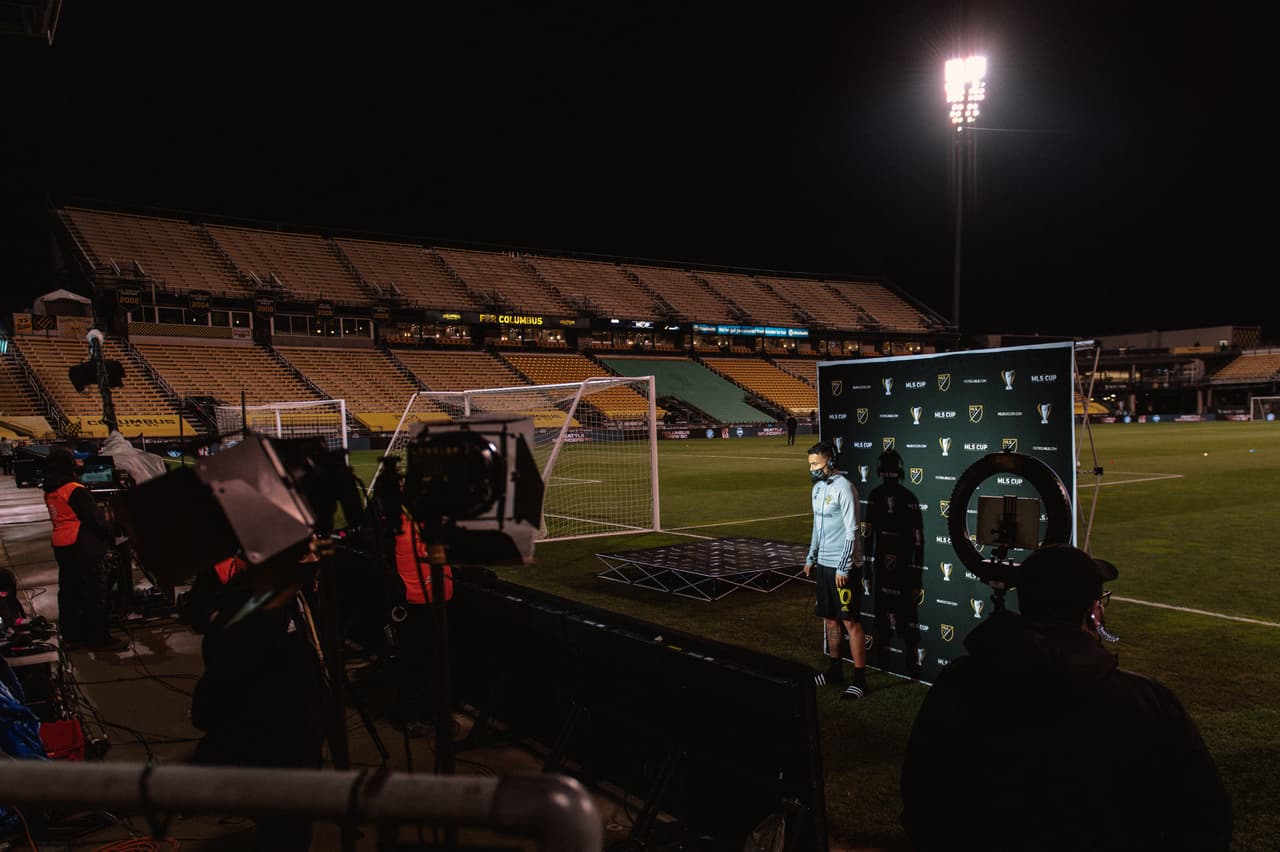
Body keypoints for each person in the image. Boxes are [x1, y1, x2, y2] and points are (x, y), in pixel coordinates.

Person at [901, 544, 1232, 851]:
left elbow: (921, 805)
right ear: (1092, 614)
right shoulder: (1148, 703)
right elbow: (1207, 822)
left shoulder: (958, 683)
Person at [183, 551, 327, 852]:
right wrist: (218, 622)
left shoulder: (289, 593)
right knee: (284, 825)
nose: (312, 555)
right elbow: (223, 676)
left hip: (296, 729)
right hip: (275, 735)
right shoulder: (255, 604)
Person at [42, 448, 126, 652]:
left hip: (63, 545)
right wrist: (112, 534)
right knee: (93, 594)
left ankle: (72, 636)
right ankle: (99, 638)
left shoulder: (50, 488)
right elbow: (95, 519)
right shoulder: (73, 489)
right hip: (83, 545)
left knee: (69, 593)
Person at [803, 440, 868, 699]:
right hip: (824, 565)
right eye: (810, 464)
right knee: (830, 619)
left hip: (844, 567)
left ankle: (860, 680)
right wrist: (811, 557)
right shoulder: (817, 489)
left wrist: (844, 566)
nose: (812, 469)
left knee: (850, 621)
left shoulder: (845, 488)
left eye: (816, 464)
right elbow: (817, 527)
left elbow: (852, 531)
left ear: (830, 461)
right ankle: (835, 670)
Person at [863, 449, 924, 678]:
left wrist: (917, 579)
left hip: (903, 571)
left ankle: (912, 670)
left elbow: (919, 542)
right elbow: (868, 536)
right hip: (884, 569)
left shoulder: (908, 499)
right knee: (883, 625)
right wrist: (867, 571)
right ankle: (883, 668)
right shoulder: (876, 496)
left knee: (908, 626)